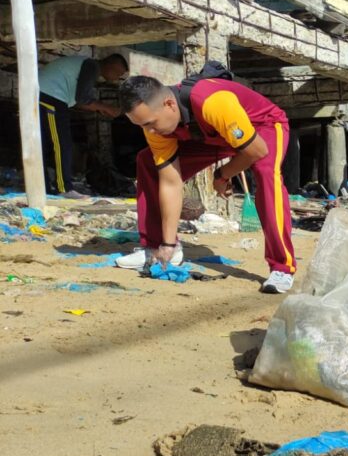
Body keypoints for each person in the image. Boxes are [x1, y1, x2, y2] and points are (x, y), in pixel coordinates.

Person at [115, 75, 297, 293]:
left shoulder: (213, 103)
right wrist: (168, 243)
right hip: (212, 137)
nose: (149, 131)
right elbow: (170, 183)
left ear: (170, 104)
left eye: (150, 123)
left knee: (267, 173)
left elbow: (257, 151)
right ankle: (159, 248)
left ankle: (282, 268)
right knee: (148, 161)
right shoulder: (155, 127)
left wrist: (223, 174)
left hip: (261, 128)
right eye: (142, 125)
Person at [38, 54, 128, 196]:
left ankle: (43, 188)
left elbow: (80, 101)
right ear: (110, 65)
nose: (117, 78)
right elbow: (83, 98)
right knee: (62, 144)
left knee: (41, 145)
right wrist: (107, 108)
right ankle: (64, 188)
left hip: (42, 95)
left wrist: (100, 108)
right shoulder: (92, 66)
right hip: (51, 97)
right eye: (118, 73)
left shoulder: (85, 65)